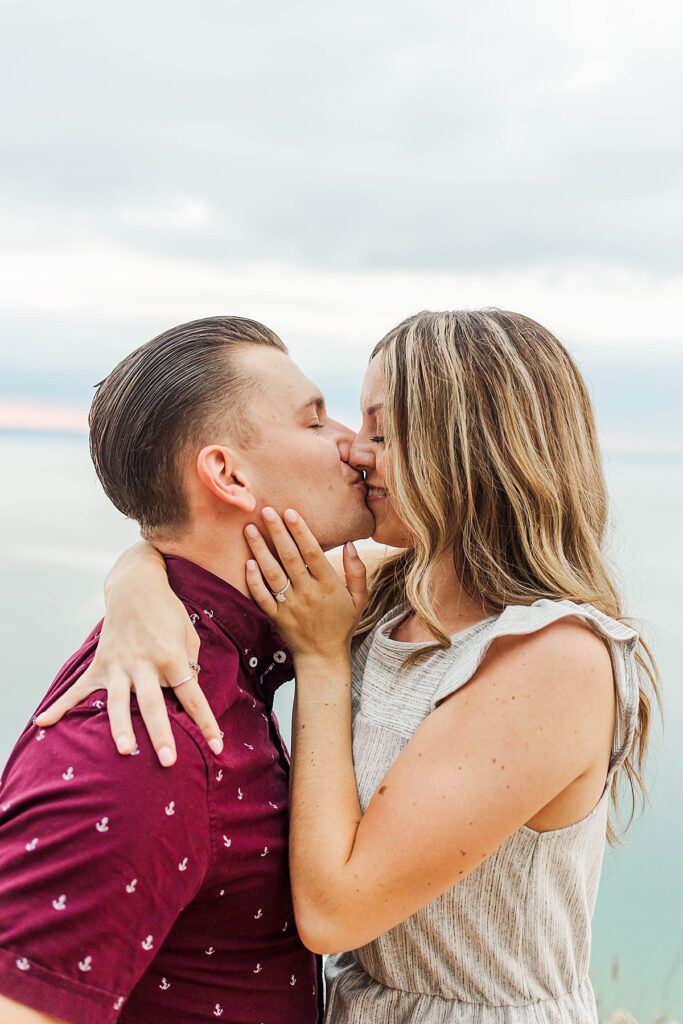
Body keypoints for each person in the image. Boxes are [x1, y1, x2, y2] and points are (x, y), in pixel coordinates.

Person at [36, 309, 659, 1024]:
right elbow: (203, 545)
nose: (357, 453)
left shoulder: (554, 658)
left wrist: (324, 661)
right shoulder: (387, 594)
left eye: (383, 433)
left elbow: (336, 912)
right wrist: (135, 582)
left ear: (468, 446)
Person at [0, 315, 374, 1024]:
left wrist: (137, 568)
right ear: (227, 473)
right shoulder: (144, 744)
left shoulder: (239, 641)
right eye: (316, 421)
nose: (354, 445)